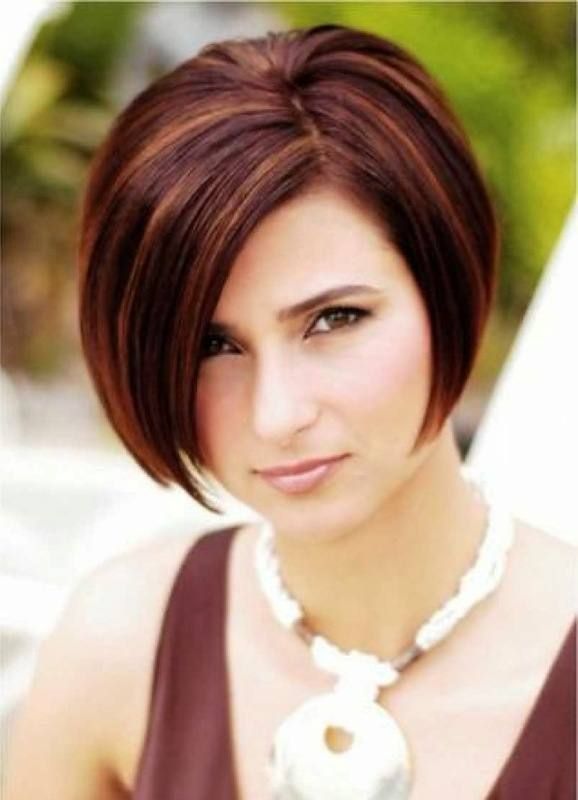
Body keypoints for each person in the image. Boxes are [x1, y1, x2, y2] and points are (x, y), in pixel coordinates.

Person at [6, 24, 575, 800]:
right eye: (213, 345)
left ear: (453, 282)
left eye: (335, 319)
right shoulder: (119, 650)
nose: (277, 415)